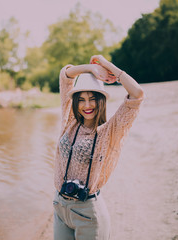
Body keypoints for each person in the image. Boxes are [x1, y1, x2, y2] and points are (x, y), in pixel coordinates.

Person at [53, 55, 144, 240]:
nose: (87, 105)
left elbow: (137, 94)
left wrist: (108, 66)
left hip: (88, 214)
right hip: (60, 208)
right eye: (82, 99)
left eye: (93, 98)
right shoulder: (70, 121)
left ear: (101, 100)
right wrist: (89, 68)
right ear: (76, 101)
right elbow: (65, 75)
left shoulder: (109, 132)